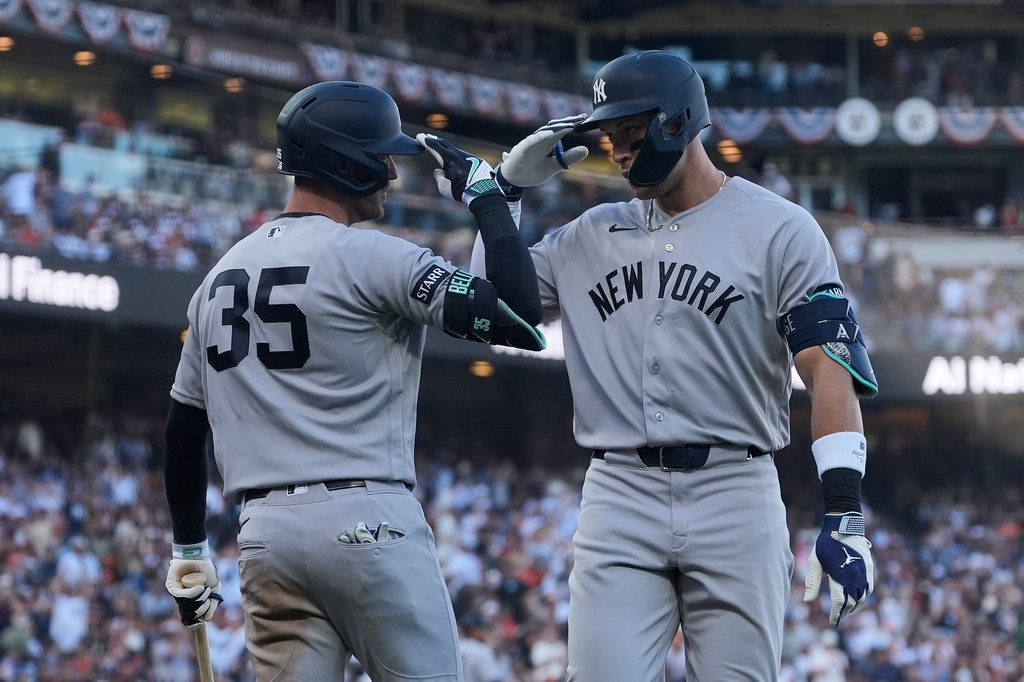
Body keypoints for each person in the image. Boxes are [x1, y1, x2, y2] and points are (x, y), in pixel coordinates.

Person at [472, 50, 879, 681]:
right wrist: (503, 195)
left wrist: (844, 510)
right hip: (619, 491)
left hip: (735, 490)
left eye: (632, 132)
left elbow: (827, 368)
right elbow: (490, 314)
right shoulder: (587, 233)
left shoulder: (780, 229)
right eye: (613, 136)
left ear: (679, 121)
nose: (620, 151)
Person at [162, 80, 545, 682]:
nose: (391, 171)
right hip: (368, 520)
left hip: (264, 538)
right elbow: (521, 320)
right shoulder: (373, 256)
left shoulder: (216, 279)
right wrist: (490, 200)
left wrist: (188, 550)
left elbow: (183, 428)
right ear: (348, 161)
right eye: (382, 156)